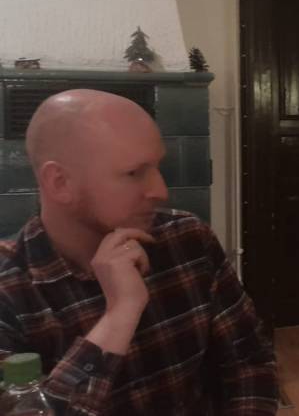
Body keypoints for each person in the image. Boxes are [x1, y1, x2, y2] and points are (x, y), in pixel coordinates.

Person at [0, 89, 278, 415]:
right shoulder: (9, 291)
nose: (161, 191)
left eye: (158, 167)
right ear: (60, 182)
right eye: (134, 173)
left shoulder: (187, 238)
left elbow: (250, 361)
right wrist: (119, 314)